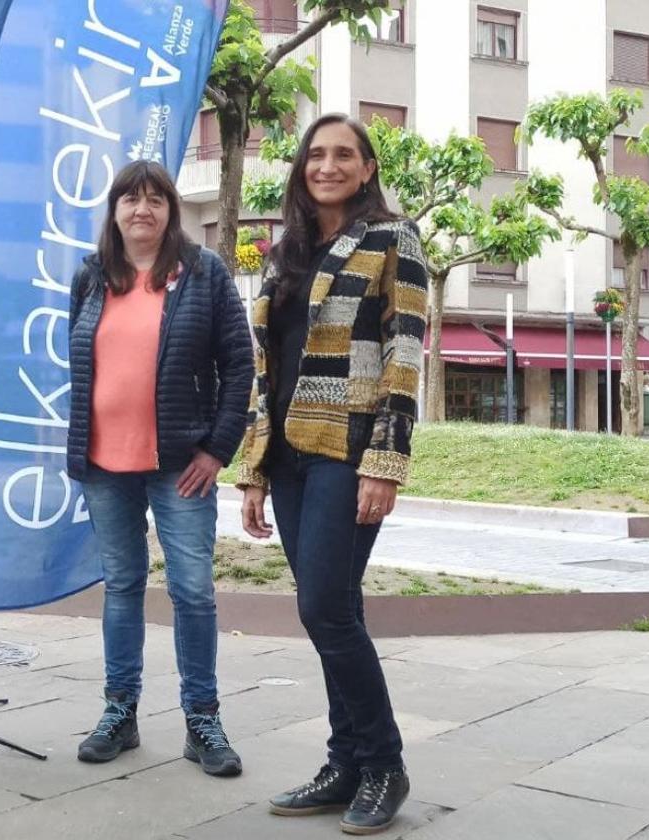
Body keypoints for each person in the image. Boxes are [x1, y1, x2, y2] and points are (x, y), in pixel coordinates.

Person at [235, 113, 426, 834]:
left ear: (368, 167)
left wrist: (386, 460)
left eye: (344, 154)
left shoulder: (392, 239)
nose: (328, 165)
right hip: (286, 455)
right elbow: (266, 367)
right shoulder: (286, 251)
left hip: (348, 450)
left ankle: (383, 764)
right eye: (316, 154)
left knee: (325, 610)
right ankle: (345, 761)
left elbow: (405, 353)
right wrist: (253, 468)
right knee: (332, 610)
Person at [66, 160, 254, 777]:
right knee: (121, 588)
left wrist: (217, 449)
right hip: (103, 463)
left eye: (155, 199)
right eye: (130, 199)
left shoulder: (203, 274)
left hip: (180, 466)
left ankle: (202, 720)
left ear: (171, 211)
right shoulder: (92, 278)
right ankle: (119, 711)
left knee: (192, 592)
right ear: (114, 210)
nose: (142, 209)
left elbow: (238, 366)